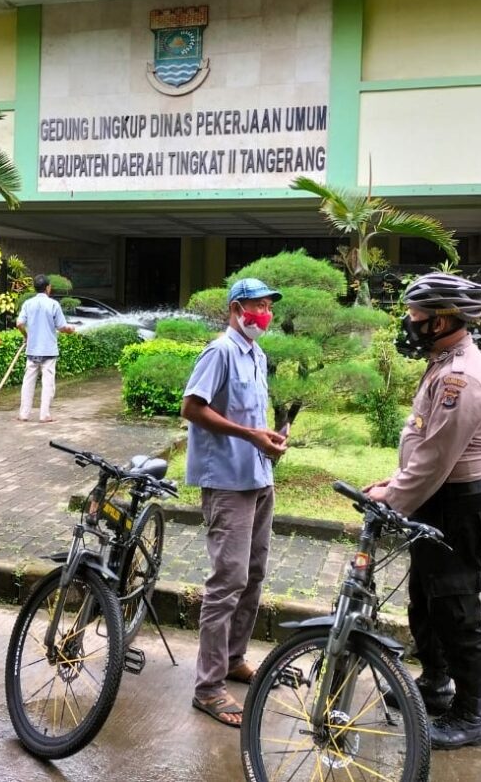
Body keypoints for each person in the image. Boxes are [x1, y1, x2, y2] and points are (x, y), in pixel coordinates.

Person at [365, 272, 481, 750]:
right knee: (425, 599)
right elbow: (425, 447)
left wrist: (393, 497)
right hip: (436, 498)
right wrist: (393, 484)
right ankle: (437, 684)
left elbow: (437, 458)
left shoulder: (460, 376)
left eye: (417, 317)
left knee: (458, 607)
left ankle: (471, 714)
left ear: (442, 320)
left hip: (457, 504)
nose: (409, 323)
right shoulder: (443, 360)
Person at [181, 277, 287, 728]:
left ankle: (234, 659)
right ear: (235, 309)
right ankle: (208, 688)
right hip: (227, 481)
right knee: (227, 581)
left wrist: (269, 438)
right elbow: (191, 407)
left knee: (254, 574)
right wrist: (249, 435)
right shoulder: (219, 351)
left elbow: (250, 416)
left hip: (258, 476)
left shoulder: (258, 354)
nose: (264, 313)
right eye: (257, 305)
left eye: (268, 306)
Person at [16, 274, 75, 423]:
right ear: (48, 288)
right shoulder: (53, 304)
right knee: (48, 384)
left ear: (35, 288)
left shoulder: (28, 304)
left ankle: (24, 414)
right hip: (48, 351)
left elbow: (19, 324)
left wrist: (27, 335)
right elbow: (62, 327)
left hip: (32, 350)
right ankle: (44, 415)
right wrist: (71, 329)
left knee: (28, 383)